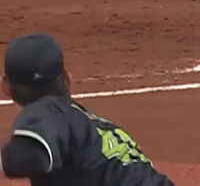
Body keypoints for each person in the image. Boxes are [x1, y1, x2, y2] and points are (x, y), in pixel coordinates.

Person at [2, 33, 175, 185]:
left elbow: (31, 156)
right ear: (67, 79)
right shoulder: (89, 127)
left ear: (5, 86)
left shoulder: (47, 111)